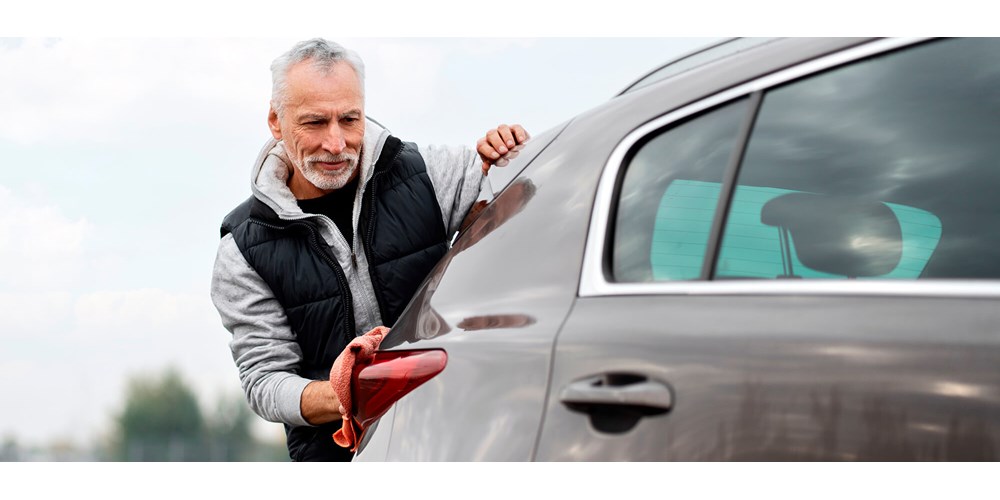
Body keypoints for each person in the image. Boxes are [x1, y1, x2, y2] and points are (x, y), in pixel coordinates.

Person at [210, 38, 529, 462]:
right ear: (275, 120)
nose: (337, 143)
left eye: (349, 119)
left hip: (461, 436)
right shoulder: (242, 250)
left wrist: (511, 155)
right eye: (315, 123)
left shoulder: (430, 173)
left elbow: (526, 207)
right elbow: (265, 381)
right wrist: (345, 392)